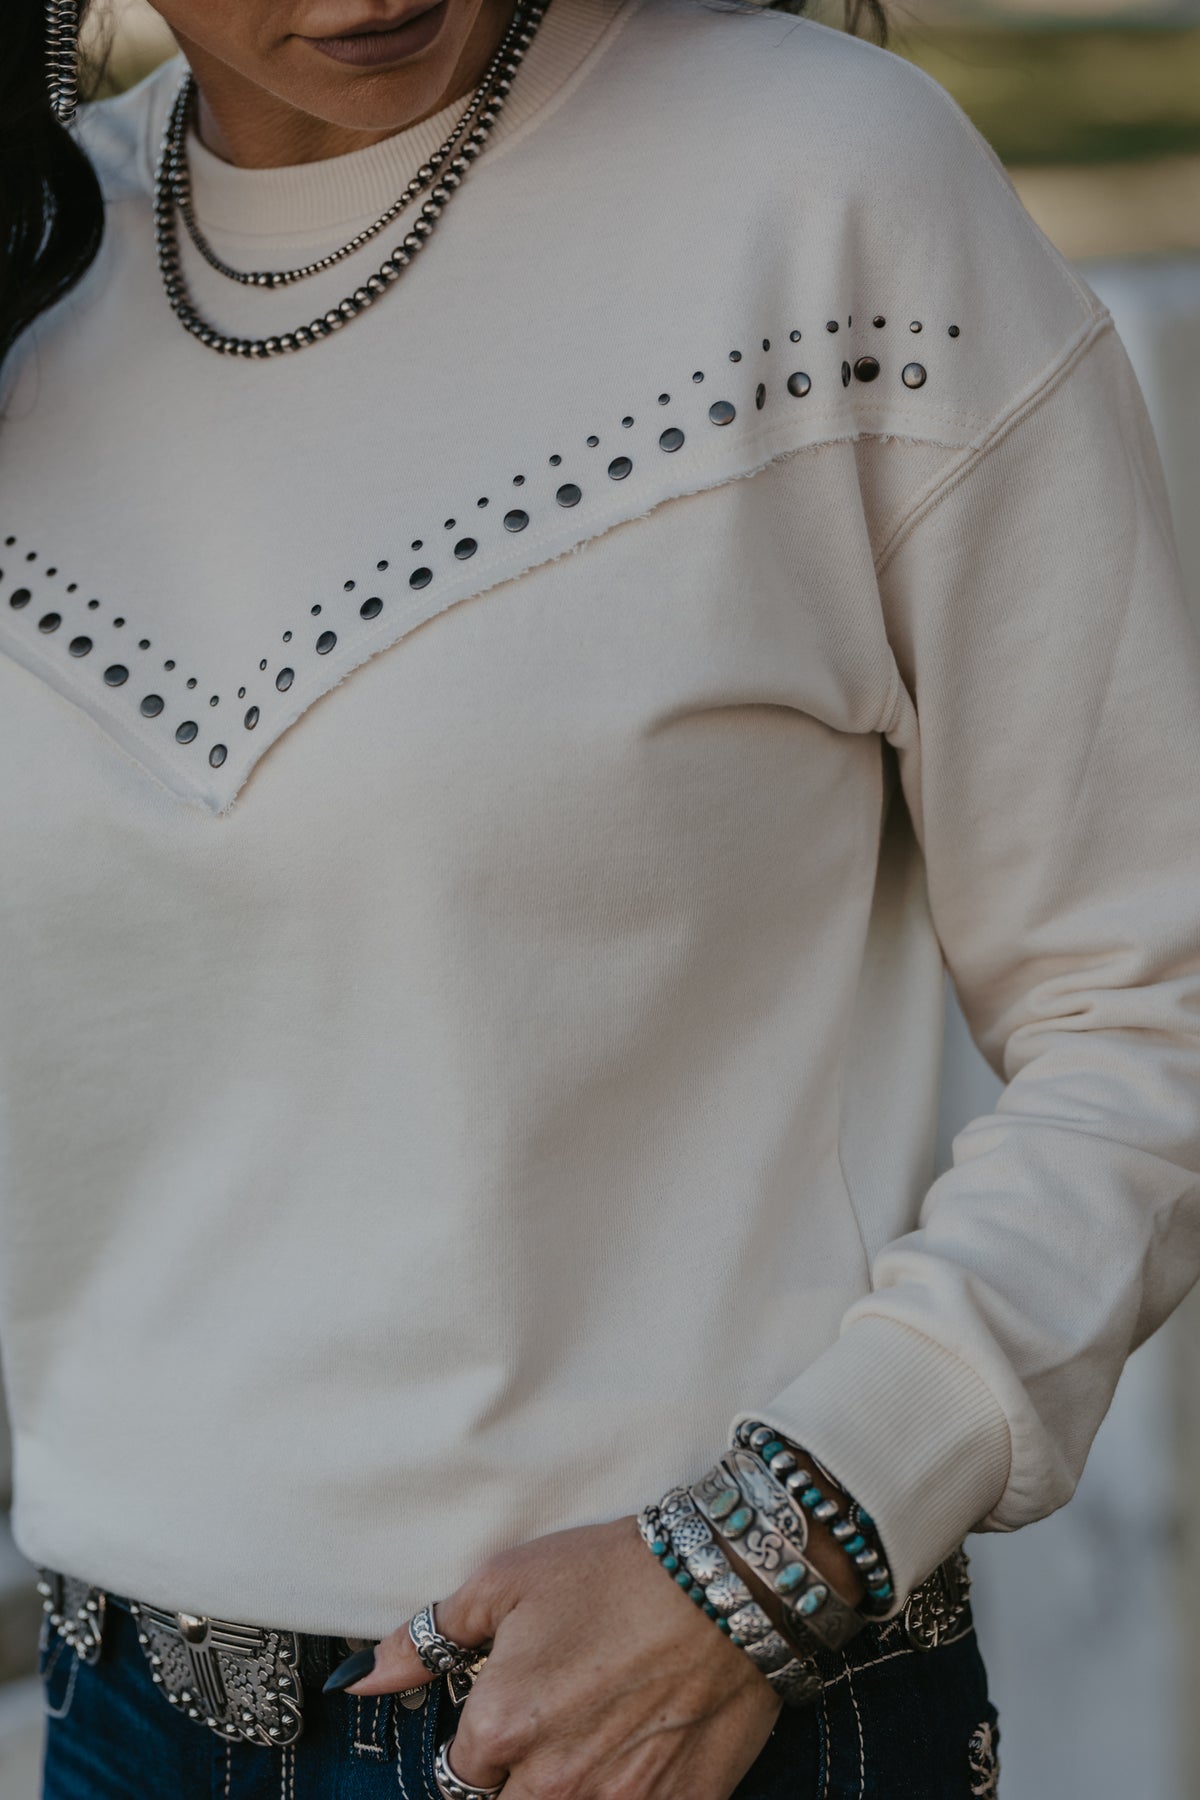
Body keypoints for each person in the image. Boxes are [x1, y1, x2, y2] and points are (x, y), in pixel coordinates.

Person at [2, 0, 1198, 1793]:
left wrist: (780, 1550)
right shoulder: (40, 268)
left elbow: (1154, 990)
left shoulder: (824, 185)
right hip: (121, 1717)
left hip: (698, 1709)